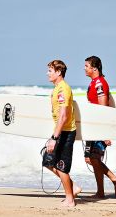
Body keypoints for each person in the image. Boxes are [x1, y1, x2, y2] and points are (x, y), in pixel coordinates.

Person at [84, 56, 116, 198]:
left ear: (94, 68)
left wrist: (105, 133)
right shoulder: (94, 83)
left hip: (99, 127)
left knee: (93, 159)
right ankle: (101, 191)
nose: (85, 68)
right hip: (93, 127)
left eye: (87, 66)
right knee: (91, 159)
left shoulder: (99, 83)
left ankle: (115, 179)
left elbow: (103, 108)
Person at [43, 60, 81, 207]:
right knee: (47, 160)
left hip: (65, 132)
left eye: (50, 70)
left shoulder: (63, 89)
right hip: (60, 131)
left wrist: (54, 137)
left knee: (61, 166)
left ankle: (70, 199)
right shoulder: (57, 88)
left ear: (58, 72)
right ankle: (74, 187)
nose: (47, 73)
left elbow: (64, 116)